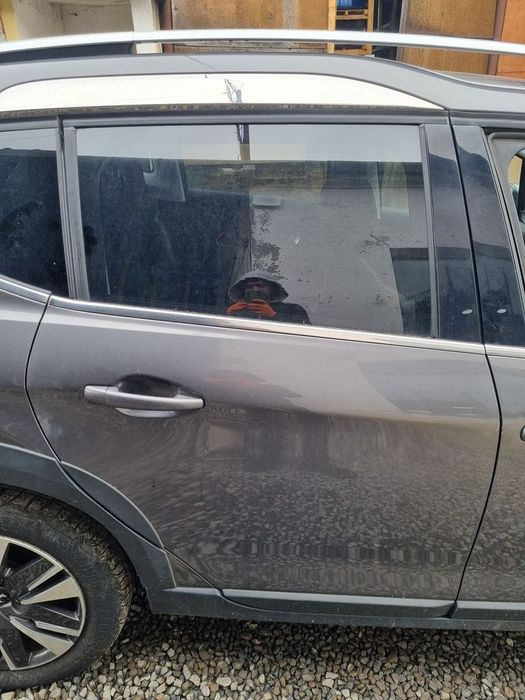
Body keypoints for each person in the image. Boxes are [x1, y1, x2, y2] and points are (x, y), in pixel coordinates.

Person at [226, 270, 310, 324]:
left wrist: (273, 315)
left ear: (272, 289)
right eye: (249, 287)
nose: (255, 289)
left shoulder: (293, 310)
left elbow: (306, 332)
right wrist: (228, 315)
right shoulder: (234, 309)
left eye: (259, 286)